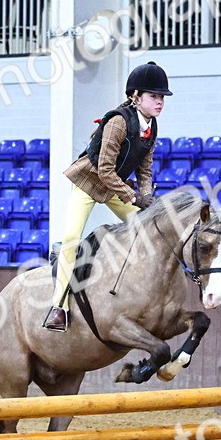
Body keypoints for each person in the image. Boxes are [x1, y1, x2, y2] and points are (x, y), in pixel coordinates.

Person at [43, 61, 172, 332]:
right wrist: (135, 198)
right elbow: (103, 170)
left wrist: (146, 196)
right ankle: (58, 308)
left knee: (150, 226)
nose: (159, 102)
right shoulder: (117, 122)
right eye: (154, 96)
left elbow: (145, 168)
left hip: (115, 186)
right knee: (71, 240)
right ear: (136, 96)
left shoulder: (152, 126)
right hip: (90, 183)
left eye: (161, 97)